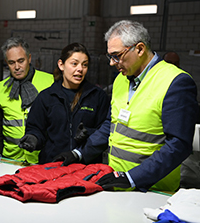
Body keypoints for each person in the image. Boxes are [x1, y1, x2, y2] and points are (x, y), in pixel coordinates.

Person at [63, 20, 198, 192]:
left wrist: (133, 178)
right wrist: (79, 153)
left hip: (152, 189)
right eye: (110, 56)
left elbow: (179, 144)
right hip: (116, 181)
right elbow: (111, 126)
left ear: (140, 49)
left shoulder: (175, 82)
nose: (112, 63)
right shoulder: (121, 79)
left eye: (117, 55)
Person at [19, 43, 110, 165]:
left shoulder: (97, 96)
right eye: (74, 63)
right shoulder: (47, 97)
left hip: (85, 167)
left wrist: (89, 132)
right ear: (61, 65)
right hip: (52, 165)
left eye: (85, 65)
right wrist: (33, 138)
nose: (80, 69)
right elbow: (36, 128)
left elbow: (105, 131)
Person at [0, 37, 54, 163]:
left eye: (21, 61)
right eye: (11, 62)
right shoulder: (1, 88)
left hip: (40, 159)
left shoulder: (49, 82)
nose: (17, 67)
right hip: (9, 158)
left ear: (29, 58)